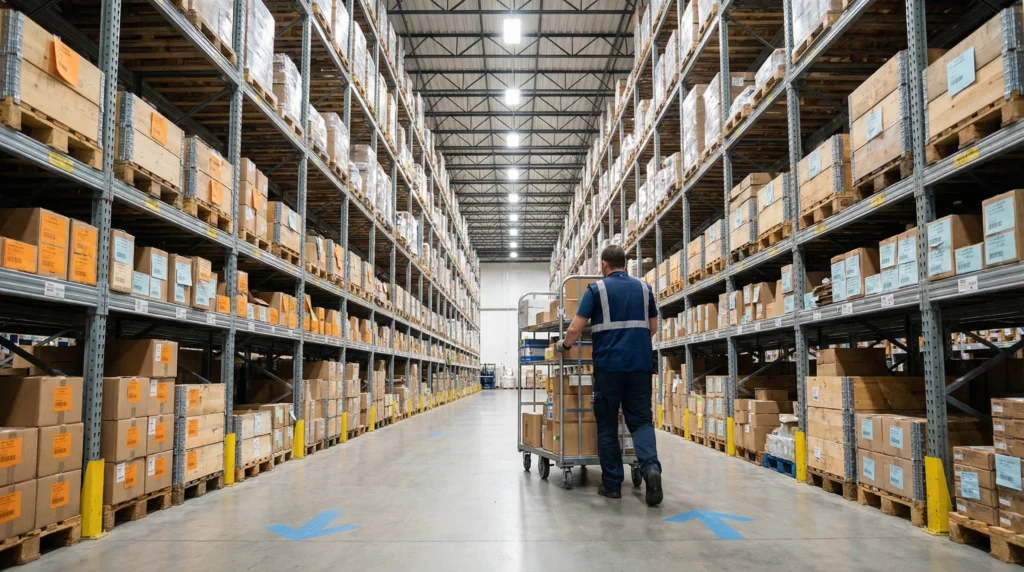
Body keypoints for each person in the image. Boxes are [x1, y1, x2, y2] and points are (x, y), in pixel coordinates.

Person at [556, 245, 663, 506]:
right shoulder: (643, 288)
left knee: (607, 424)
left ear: (604, 264)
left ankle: (612, 485)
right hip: (639, 365)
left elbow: (575, 327)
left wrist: (565, 345)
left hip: (608, 368)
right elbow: (653, 327)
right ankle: (651, 470)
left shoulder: (597, 289)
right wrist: (634, 346)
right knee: (641, 421)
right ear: (624, 263)